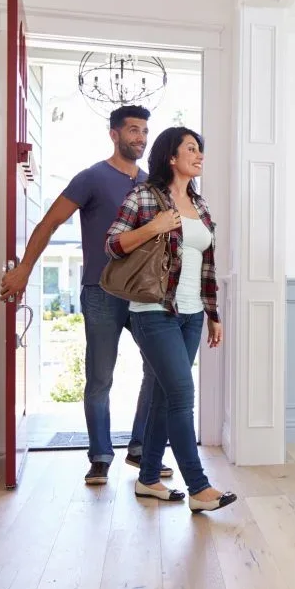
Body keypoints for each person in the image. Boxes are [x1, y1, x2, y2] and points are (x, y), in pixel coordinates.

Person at [0, 105, 173, 486]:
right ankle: (100, 456)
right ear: (114, 134)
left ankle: (141, 449)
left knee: (158, 371)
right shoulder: (92, 178)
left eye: (144, 131)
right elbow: (49, 223)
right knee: (99, 378)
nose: (140, 138)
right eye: (132, 130)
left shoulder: (151, 185)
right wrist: (25, 268)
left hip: (145, 296)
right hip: (101, 291)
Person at [104, 126, 237, 513]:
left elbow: (207, 265)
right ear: (171, 157)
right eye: (192, 149)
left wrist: (213, 315)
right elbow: (112, 244)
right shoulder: (144, 197)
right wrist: (153, 226)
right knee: (181, 395)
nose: (199, 156)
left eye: (201, 150)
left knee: (164, 396)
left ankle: (147, 480)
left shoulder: (201, 205)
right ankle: (198, 487)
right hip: (154, 312)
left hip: (192, 315)